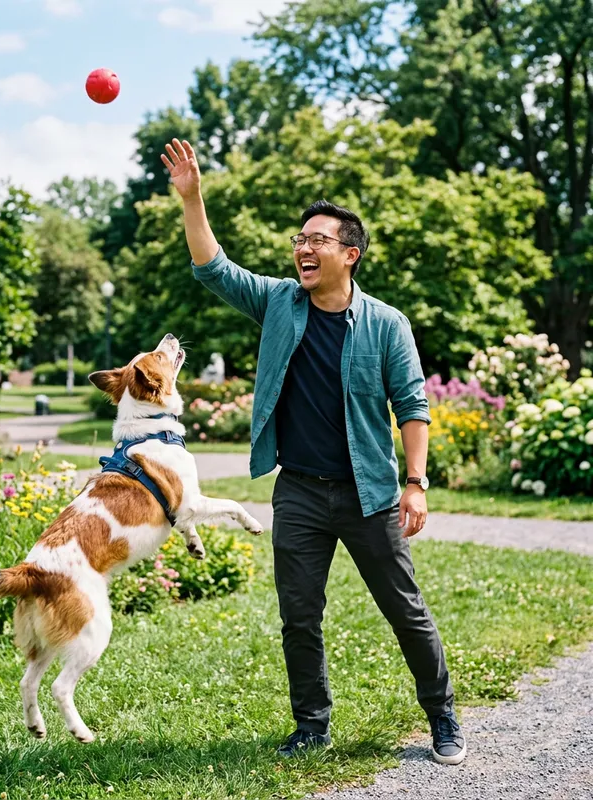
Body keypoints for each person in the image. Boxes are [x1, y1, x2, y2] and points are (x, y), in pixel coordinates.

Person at [161, 138, 466, 765]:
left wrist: (416, 482)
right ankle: (312, 726)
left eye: (317, 240)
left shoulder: (387, 324)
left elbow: (412, 407)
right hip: (298, 490)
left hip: (369, 493)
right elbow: (214, 268)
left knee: (404, 611)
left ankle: (442, 718)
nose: (303, 247)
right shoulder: (279, 302)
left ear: (349, 255)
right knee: (299, 618)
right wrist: (193, 200)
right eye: (299, 239)